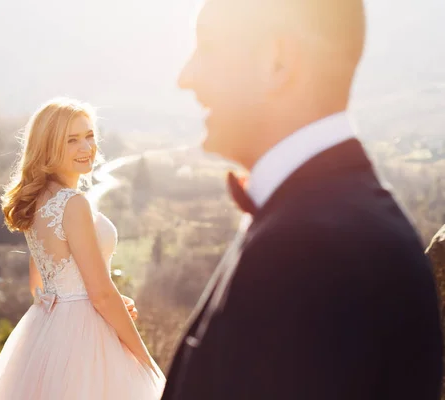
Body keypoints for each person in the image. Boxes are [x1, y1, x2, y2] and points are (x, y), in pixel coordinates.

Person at [161, 0, 443, 399]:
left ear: (278, 62)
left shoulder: (312, 248)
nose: (185, 78)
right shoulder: (329, 219)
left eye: (207, 47)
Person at [0, 98, 165, 399]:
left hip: (46, 332)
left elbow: (40, 285)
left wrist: (83, 296)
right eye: (72, 140)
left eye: (89, 136)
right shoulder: (72, 204)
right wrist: (146, 360)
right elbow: (101, 294)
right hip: (84, 340)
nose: (86, 148)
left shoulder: (38, 200)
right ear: (49, 147)